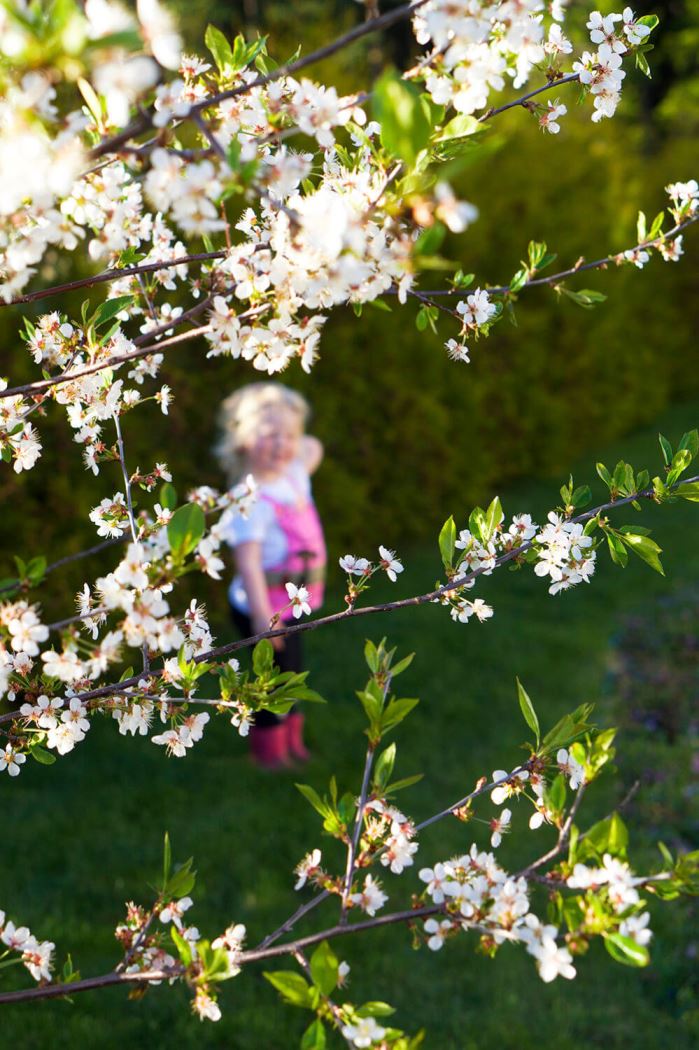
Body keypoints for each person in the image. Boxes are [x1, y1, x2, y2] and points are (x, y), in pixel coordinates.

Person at [215, 382, 326, 768]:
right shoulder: (249, 501)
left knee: (294, 671)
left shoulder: (294, 473)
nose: (282, 445)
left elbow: (313, 446)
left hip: (293, 604)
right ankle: (269, 752)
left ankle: (292, 738)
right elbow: (248, 566)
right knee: (274, 681)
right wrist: (266, 622)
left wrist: (279, 411)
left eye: (289, 435)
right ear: (243, 439)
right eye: (269, 436)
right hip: (263, 609)